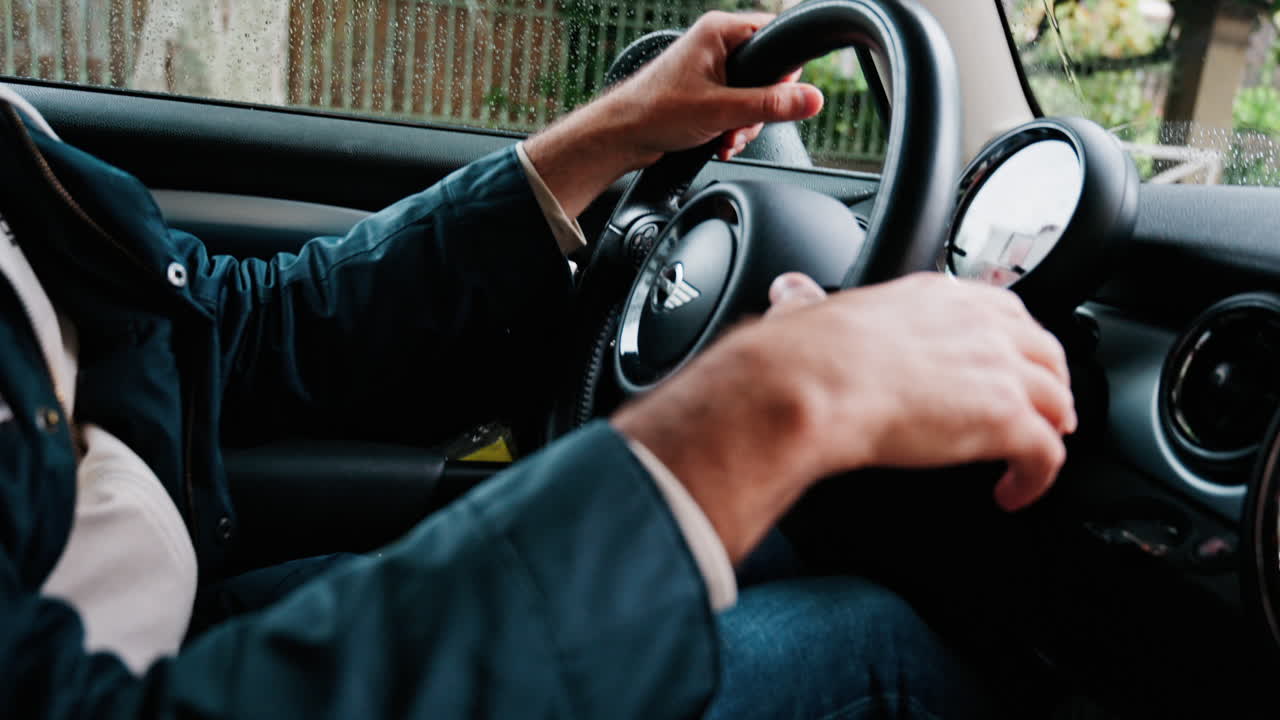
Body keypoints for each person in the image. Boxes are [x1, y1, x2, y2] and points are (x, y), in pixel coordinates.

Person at [0, 11, 1074, 719]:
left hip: (175, 609)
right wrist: (764, 406)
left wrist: (612, 134)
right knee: (874, 650)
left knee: (779, 550)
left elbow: (222, 327)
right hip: (151, 682)